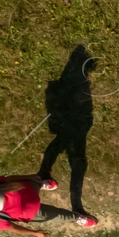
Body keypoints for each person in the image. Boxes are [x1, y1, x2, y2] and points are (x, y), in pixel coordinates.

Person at [37, 45, 99, 224]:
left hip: (73, 122)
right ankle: (75, 205)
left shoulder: (67, 89)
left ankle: (45, 173)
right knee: (76, 159)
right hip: (75, 121)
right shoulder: (69, 89)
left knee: (72, 153)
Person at [0, 175, 95, 236]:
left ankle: (41, 184)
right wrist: (34, 233)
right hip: (34, 212)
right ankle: (77, 217)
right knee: (58, 215)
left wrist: (30, 177)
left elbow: (10, 178)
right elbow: (14, 228)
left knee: (35, 183)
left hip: (28, 189)